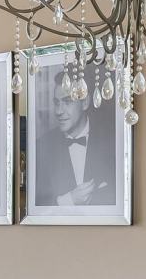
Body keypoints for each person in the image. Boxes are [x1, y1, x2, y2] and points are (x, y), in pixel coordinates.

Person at [34, 65, 115, 207]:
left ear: (85, 103)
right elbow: (36, 205)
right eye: (57, 103)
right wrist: (69, 200)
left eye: (67, 102)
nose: (59, 111)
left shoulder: (112, 141)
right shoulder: (41, 146)